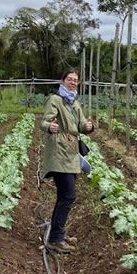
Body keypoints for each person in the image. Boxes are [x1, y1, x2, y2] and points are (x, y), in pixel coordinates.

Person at [40, 70, 94, 254]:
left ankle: (58, 233)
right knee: (69, 195)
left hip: (71, 151)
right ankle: (56, 238)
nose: (73, 82)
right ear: (62, 81)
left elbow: (80, 126)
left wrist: (87, 127)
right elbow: (45, 121)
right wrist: (50, 126)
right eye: (69, 79)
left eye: (75, 80)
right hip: (59, 150)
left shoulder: (74, 102)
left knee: (65, 195)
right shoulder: (55, 100)